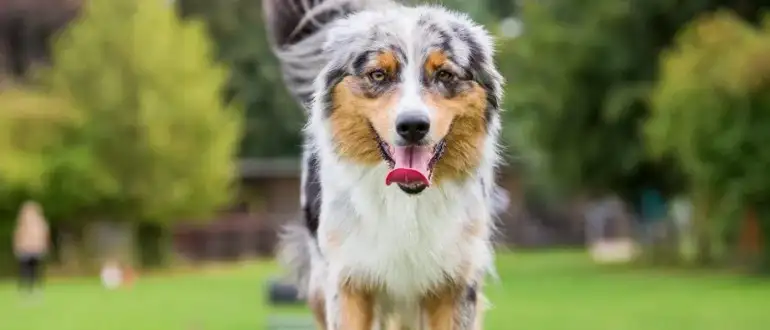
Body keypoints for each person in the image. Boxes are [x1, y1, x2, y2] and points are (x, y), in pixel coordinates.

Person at [12, 200, 50, 295]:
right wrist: (17, 247)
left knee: (36, 270)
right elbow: (18, 236)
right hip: (25, 249)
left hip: (36, 249)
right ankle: (25, 289)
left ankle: (36, 289)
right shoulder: (22, 223)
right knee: (25, 270)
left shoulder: (40, 222)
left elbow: (44, 235)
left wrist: (44, 246)